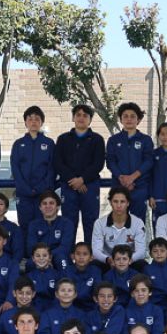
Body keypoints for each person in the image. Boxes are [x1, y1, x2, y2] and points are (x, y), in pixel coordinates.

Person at [55, 104, 106, 244]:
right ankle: (69, 254)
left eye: (85, 115)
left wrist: (82, 179)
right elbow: (58, 163)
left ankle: (90, 254)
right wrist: (74, 180)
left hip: (90, 187)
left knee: (91, 223)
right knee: (69, 223)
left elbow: (98, 164)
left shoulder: (97, 139)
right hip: (69, 186)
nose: (81, 118)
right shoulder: (63, 139)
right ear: (73, 118)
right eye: (78, 115)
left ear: (90, 120)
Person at [106, 102, 154, 221]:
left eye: (132, 116)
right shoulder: (113, 140)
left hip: (139, 187)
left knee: (138, 222)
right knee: (119, 222)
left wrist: (132, 178)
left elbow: (148, 161)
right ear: (120, 119)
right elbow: (110, 162)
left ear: (138, 120)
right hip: (119, 187)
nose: (129, 119)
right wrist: (122, 178)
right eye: (125, 116)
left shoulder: (146, 140)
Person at [10, 105, 57, 228]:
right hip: (23, 194)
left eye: (37, 119)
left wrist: (41, 188)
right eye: (30, 119)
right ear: (25, 122)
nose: (33, 122)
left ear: (42, 122)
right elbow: (15, 168)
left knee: (44, 226)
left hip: (43, 194)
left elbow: (52, 169)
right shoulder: (18, 144)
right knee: (25, 226)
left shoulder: (49, 143)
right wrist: (25, 188)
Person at [92, 187, 148, 265]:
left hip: (130, 261)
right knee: (94, 264)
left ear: (128, 203)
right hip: (109, 262)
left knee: (142, 264)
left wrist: (127, 260)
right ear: (110, 202)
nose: (119, 205)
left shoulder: (138, 223)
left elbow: (141, 251)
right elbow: (96, 251)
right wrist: (108, 259)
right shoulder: (99, 223)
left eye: (122, 202)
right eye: (115, 201)